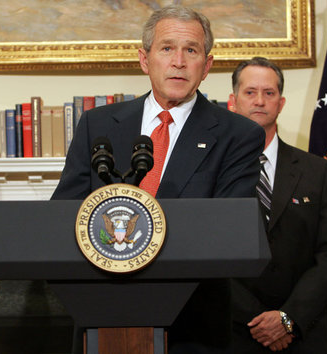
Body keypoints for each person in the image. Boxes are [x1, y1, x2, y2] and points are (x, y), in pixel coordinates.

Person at [52, 5, 265, 352]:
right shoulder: (98, 125)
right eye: (167, 48)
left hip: (192, 324)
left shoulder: (237, 134)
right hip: (101, 314)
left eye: (191, 50)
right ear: (144, 59)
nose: (178, 61)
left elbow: (228, 229)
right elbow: (65, 213)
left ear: (206, 65)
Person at [228, 56, 327, 353]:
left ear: (280, 103)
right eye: (250, 92)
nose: (260, 101)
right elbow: (206, 255)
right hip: (235, 333)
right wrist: (257, 321)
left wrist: (287, 318)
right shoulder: (213, 169)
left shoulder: (316, 171)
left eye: (269, 93)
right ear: (233, 101)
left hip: (302, 333)